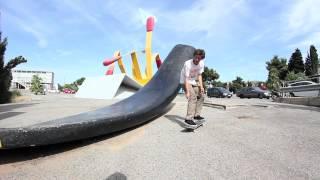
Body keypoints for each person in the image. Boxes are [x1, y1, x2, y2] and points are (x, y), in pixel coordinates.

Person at [180, 49, 205, 127]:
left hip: (193, 81)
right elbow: (186, 79)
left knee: (201, 96)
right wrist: (187, 92)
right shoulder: (187, 64)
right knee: (193, 97)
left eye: (199, 58)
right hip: (184, 81)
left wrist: (201, 87)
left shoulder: (201, 64)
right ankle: (188, 118)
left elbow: (200, 75)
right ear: (193, 56)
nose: (197, 60)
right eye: (196, 57)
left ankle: (196, 115)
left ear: (202, 58)